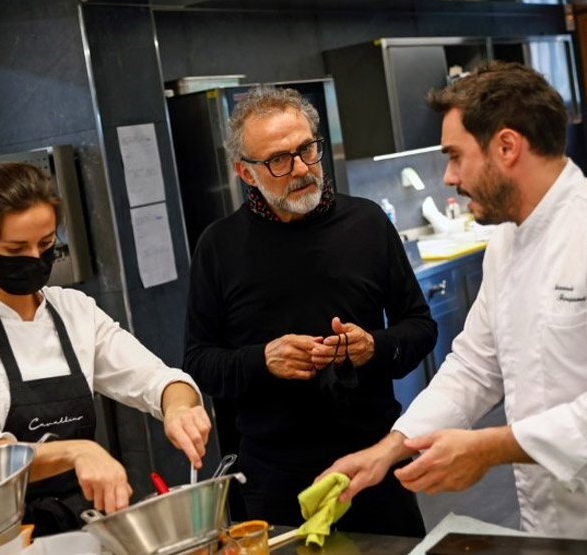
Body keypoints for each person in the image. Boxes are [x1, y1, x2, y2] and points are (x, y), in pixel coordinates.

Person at [321, 62, 587, 545]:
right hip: (552, 526)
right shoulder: (507, 242)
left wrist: (488, 448)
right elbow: (473, 367)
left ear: (506, 146)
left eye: (455, 156)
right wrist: (392, 447)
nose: (447, 177)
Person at [182, 86, 437, 537]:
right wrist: (263, 360)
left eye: (306, 150)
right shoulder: (219, 246)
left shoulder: (367, 222)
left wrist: (373, 346)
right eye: (279, 160)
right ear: (245, 171)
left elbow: (420, 328)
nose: (301, 169)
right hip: (275, 476)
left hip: (372, 462)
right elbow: (199, 362)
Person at [0, 162, 211, 536]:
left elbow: (159, 380)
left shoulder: (73, 310)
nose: (35, 259)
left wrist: (179, 408)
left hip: (80, 527)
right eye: (16, 248)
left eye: (46, 244)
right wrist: (77, 451)